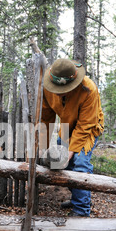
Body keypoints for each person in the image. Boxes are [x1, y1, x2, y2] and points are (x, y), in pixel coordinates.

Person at [40, 58, 104, 217]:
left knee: (80, 163)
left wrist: (69, 152)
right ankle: (79, 198)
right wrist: (42, 146)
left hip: (88, 128)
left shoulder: (89, 89)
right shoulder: (48, 88)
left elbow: (85, 125)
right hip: (67, 127)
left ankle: (81, 211)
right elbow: (46, 118)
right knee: (64, 167)